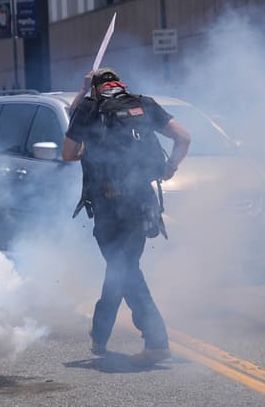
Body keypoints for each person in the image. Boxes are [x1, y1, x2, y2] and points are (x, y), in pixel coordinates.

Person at [62, 68, 190, 366]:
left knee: (124, 268)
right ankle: (99, 332)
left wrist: (84, 98)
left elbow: (68, 153)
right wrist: (170, 167)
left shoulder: (88, 108)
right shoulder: (143, 104)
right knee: (122, 267)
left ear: (93, 88)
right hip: (143, 204)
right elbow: (184, 137)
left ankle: (157, 340)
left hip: (108, 206)